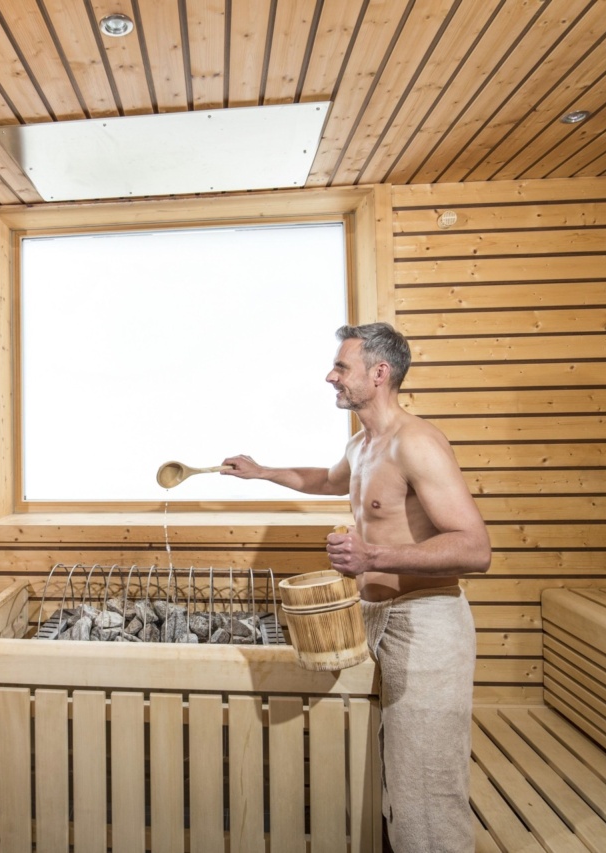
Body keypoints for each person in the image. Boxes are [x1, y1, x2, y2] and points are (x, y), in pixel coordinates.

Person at [223, 322, 490, 853]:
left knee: (426, 782)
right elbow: (326, 480)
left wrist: (373, 557)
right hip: (371, 617)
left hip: (426, 620)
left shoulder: (417, 443)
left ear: (380, 373)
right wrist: (262, 471)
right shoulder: (363, 444)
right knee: (382, 765)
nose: (331, 377)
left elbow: (475, 548)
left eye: (341, 367)